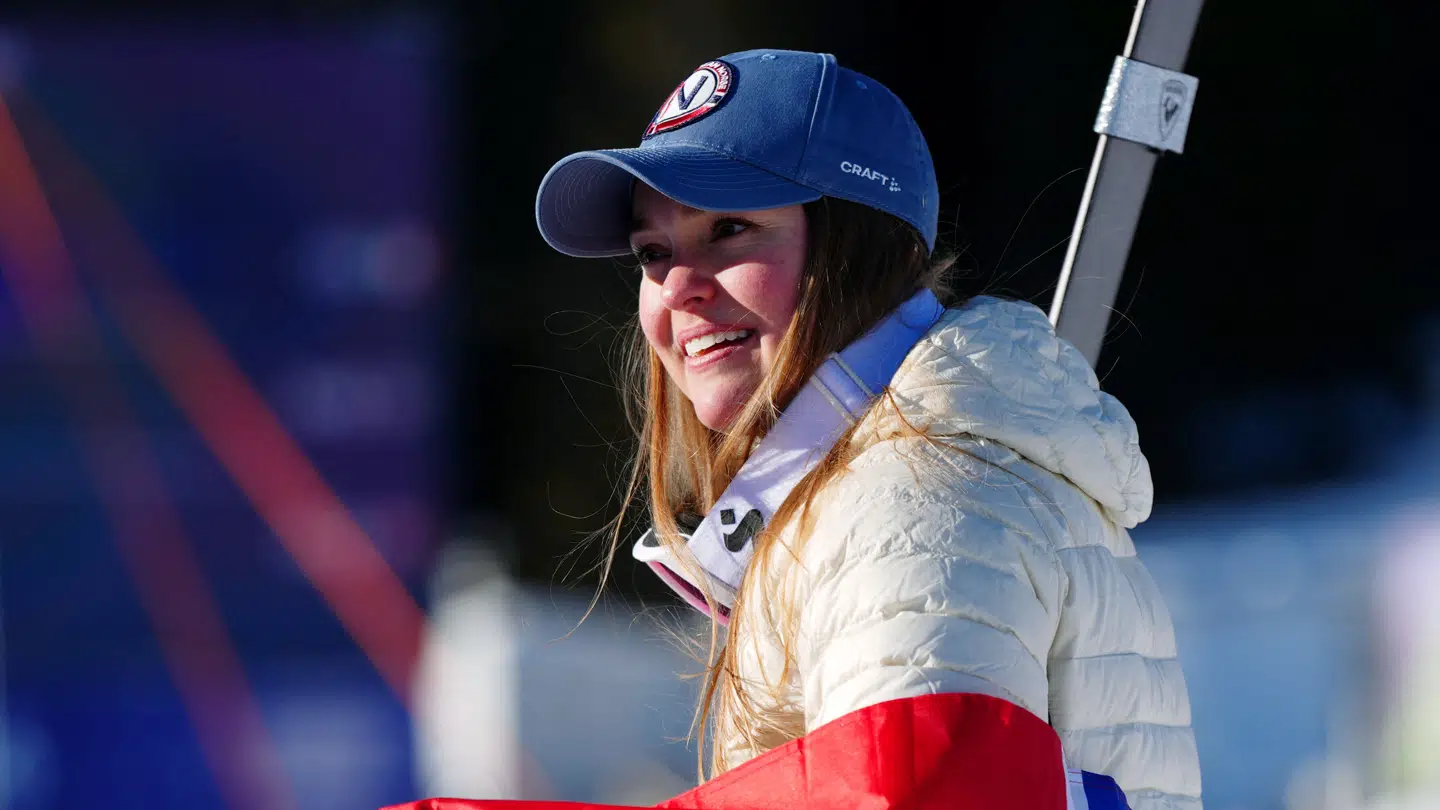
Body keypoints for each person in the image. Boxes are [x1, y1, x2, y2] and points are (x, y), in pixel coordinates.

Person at [530, 49, 1202, 810]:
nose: (676, 288)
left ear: (855, 246)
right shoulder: (897, 483)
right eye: (652, 253)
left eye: (729, 229)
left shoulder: (914, 504)